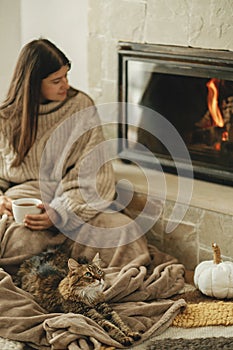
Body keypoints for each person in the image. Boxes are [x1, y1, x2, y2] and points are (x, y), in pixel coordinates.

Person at [0, 38, 185, 349]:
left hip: (79, 198)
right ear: (31, 84)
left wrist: (60, 212)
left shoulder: (80, 105)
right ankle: (53, 288)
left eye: (67, 76)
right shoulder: (5, 118)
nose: (65, 85)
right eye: (56, 80)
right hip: (27, 198)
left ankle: (84, 290)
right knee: (22, 238)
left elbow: (96, 175)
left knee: (122, 234)